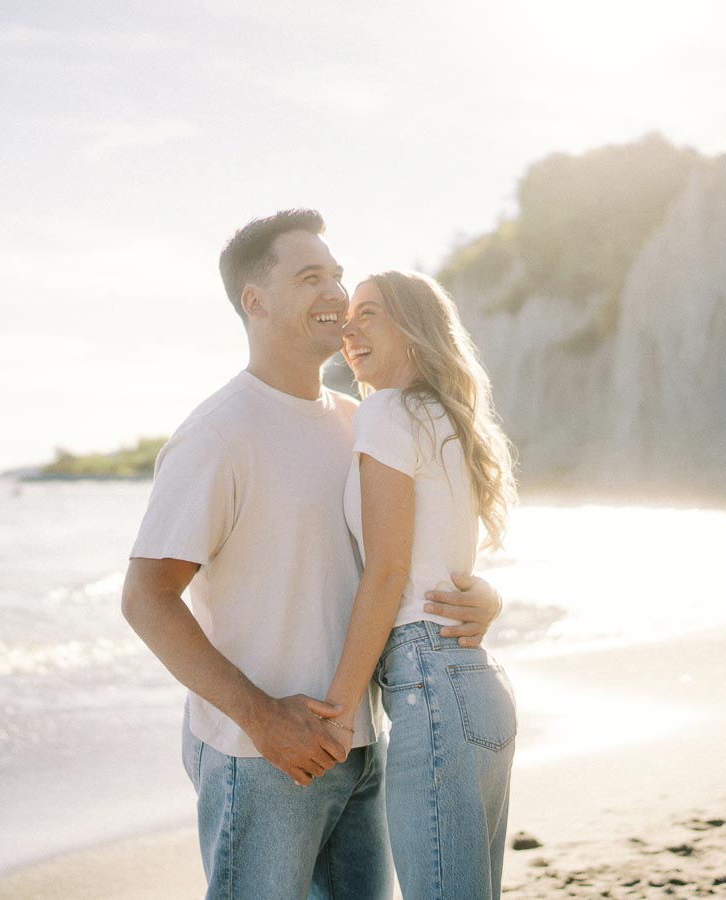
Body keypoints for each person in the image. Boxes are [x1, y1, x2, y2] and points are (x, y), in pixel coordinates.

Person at [120, 209, 503, 899]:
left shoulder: (364, 419)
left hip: (363, 746)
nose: (334, 293)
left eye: (336, 275)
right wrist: (264, 720)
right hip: (261, 757)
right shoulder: (217, 434)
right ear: (255, 301)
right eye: (309, 278)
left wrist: (482, 596)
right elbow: (145, 599)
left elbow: (405, 561)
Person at [321, 270, 518, 899]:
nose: (349, 329)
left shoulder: (385, 411)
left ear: (415, 329)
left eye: (369, 313)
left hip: (429, 688)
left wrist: (336, 711)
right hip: (476, 685)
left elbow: (386, 572)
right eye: (347, 318)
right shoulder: (446, 419)